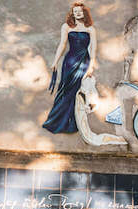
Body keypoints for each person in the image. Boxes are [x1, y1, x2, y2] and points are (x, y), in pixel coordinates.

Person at [42, 3, 96, 134]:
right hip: (69, 62)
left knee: (76, 91)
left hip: (83, 61)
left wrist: (91, 67)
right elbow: (62, 44)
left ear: (84, 13)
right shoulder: (66, 27)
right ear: (72, 13)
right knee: (65, 90)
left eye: (80, 11)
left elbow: (93, 49)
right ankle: (56, 121)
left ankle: (73, 122)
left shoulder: (91, 29)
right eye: (75, 11)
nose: (78, 13)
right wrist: (55, 61)